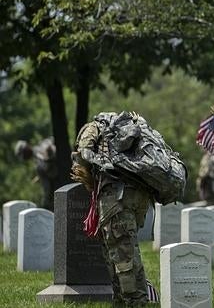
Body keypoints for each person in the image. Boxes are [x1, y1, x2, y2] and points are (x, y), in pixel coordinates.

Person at [71, 113, 153, 306]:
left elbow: (83, 158)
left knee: (122, 255)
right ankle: (127, 299)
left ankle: (134, 301)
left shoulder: (93, 129)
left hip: (116, 198)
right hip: (138, 197)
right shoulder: (132, 127)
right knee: (128, 248)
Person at [14, 138, 58, 210]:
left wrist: (46, 202)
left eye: (24, 155)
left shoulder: (43, 146)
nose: (25, 158)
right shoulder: (41, 148)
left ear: (26, 148)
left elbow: (47, 186)